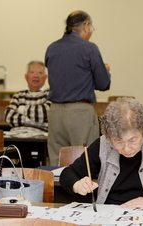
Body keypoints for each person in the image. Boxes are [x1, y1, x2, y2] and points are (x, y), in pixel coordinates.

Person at [45, 10, 111, 166]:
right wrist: (106, 71)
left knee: (57, 161)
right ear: (86, 26)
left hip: (55, 112)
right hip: (80, 112)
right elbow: (103, 84)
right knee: (84, 160)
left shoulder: (51, 48)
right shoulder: (89, 48)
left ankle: (59, 190)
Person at [5, 61, 51, 133]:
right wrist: (37, 122)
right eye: (32, 72)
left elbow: (45, 113)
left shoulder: (50, 94)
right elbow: (8, 117)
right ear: (26, 76)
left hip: (40, 136)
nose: (36, 75)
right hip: (16, 134)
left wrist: (21, 109)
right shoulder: (18, 95)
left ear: (46, 77)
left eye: (40, 73)